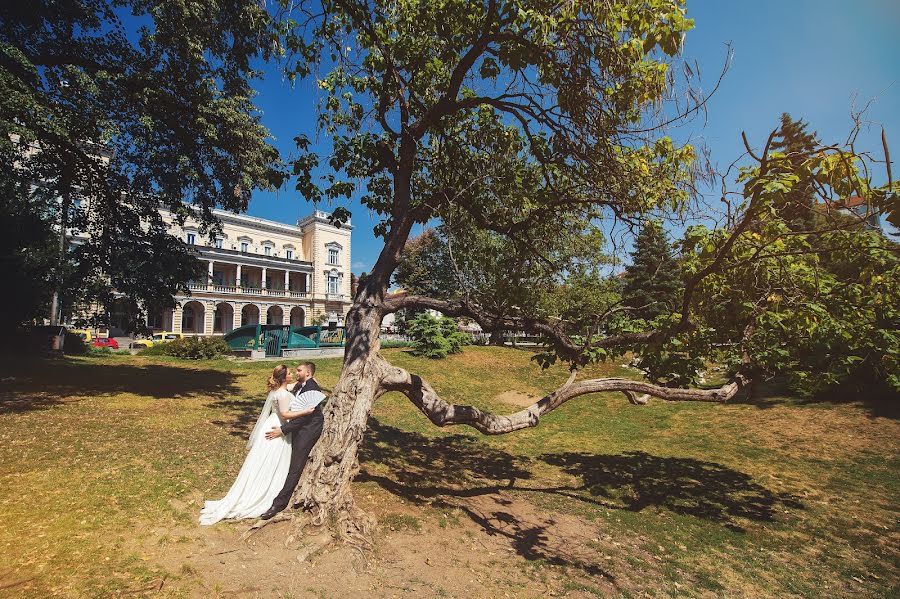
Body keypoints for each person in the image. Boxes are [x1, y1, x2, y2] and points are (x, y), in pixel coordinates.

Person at [198, 365, 313, 525]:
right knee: (272, 462)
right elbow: (285, 414)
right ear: (283, 378)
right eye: (289, 373)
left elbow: (294, 387)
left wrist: (309, 380)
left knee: (262, 461)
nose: (292, 374)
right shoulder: (283, 395)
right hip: (278, 429)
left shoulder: (278, 390)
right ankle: (264, 494)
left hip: (271, 423)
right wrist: (305, 412)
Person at [258, 361, 326, 520]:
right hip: (295, 427)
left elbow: (303, 418)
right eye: (294, 371)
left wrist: (282, 430)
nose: (296, 373)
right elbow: (287, 388)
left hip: (307, 431)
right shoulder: (301, 385)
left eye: (299, 370)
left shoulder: (311, 389)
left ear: (308, 373)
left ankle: (279, 504)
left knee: (295, 467)